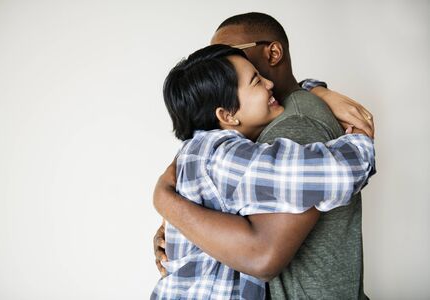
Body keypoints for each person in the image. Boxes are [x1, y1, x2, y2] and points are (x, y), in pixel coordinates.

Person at [154, 12, 375, 299]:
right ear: (226, 115)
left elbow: (261, 257)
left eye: (231, 54)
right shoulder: (230, 150)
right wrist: (360, 141)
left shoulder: (292, 125)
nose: (219, 62)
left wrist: (167, 203)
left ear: (273, 52)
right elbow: (332, 172)